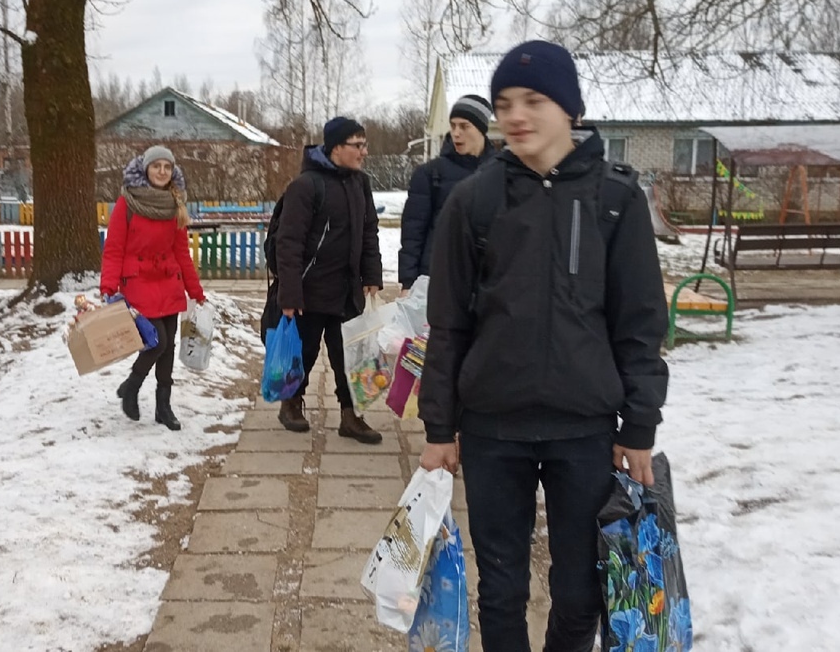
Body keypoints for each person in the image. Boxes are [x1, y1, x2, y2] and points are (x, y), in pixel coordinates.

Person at [417, 40, 669, 652]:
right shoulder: (473, 202)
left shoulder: (617, 200)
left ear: (570, 107)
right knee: (501, 587)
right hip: (491, 428)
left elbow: (639, 322)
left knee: (582, 588)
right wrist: (438, 426)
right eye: (504, 103)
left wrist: (638, 424)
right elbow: (447, 323)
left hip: (582, 428)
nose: (515, 115)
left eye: (533, 100)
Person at [272, 116, 385, 443]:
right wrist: (290, 294)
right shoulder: (306, 186)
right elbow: (289, 242)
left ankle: (351, 416)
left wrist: (372, 274)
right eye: (357, 145)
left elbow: (369, 231)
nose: (364, 152)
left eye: (365, 145)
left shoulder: (360, 183)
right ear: (336, 148)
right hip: (310, 292)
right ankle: (291, 403)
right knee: (303, 353)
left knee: (351, 356)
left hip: (347, 290)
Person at [100, 145, 207, 432]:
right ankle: (131, 386)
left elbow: (181, 252)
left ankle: (163, 407)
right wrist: (108, 286)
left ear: (172, 172)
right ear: (145, 168)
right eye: (156, 166)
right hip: (138, 281)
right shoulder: (128, 202)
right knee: (156, 340)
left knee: (168, 345)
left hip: (168, 281)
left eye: (167, 167)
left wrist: (195, 290)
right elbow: (114, 249)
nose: (162, 171)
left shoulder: (175, 204)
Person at [398, 94, 494, 294]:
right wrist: (408, 282)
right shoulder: (430, 173)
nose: (456, 133)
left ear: (482, 129)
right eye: (453, 125)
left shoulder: (500, 171)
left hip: (487, 282)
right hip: (438, 280)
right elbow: (413, 232)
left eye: (464, 126)